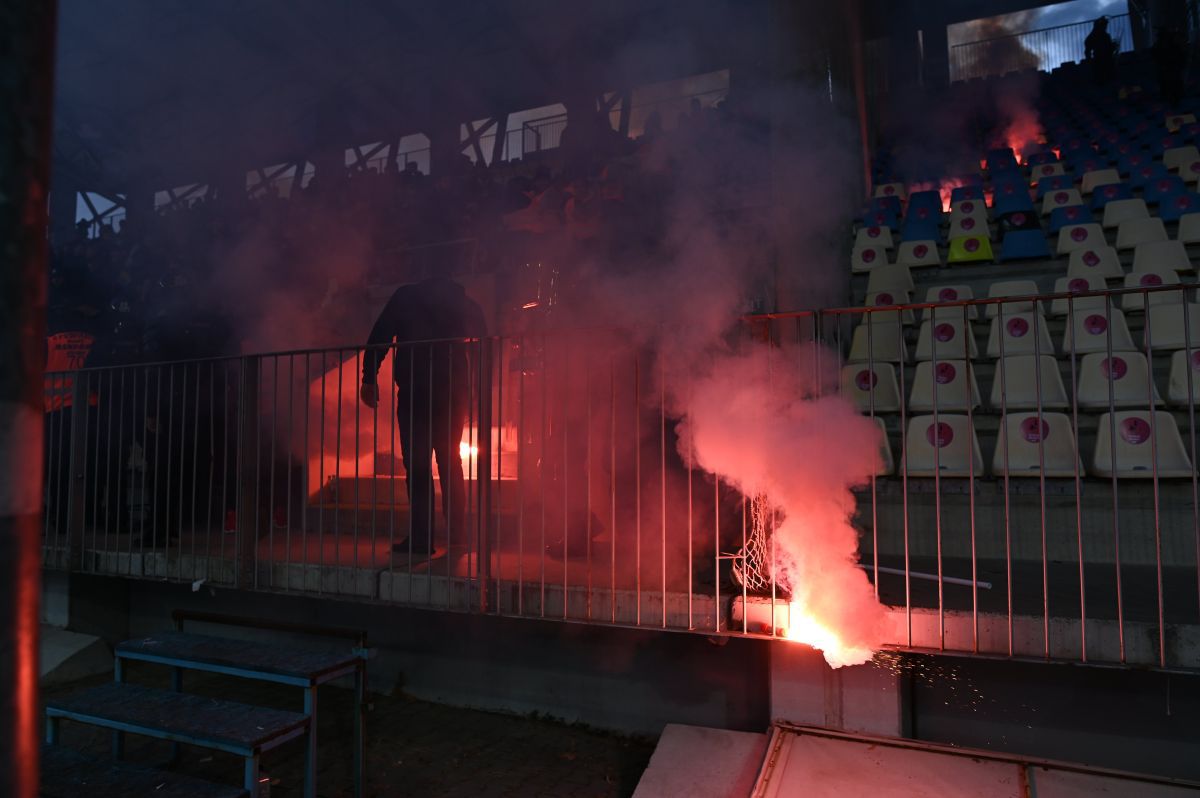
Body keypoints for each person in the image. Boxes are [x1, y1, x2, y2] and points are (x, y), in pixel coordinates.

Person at [360, 276, 487, 553]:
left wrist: (369, 377)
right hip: (452, 392)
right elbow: (484, 343)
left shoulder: (406, 297)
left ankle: (421, 538)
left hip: (416, 391)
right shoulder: (462, 300)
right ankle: (457, 534)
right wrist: (479, 388)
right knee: (450, 462)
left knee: (418, 466)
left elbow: (380, 334)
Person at [1153, 25, 1187, 107]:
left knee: (1172, 81)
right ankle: (1170, 96)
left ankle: (1172, 96)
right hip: (1168, 67)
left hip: (1171, 67)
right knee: (1168, 81)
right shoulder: (1161, 44)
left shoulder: (1169, 43)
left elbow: (1179, 54)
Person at [1084, 17, 1118, 87]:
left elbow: (1087, 51)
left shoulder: (1101, 36)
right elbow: (1088, 51)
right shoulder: (1100, 36)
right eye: (1104, 25)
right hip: (1101, 61)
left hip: (1104, 61)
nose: (1105, 27)